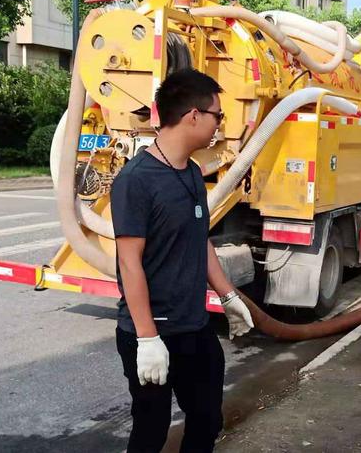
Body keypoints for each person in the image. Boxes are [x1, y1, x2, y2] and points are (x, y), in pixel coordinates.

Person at [111, 68, 255, 452]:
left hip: (193, 327)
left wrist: (228, 296)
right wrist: (147, 339)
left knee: (207, 418)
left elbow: (199, 240)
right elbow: (129, 263)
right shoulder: (136, 180)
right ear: (193, 115)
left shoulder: (191, 173)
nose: (219, 126)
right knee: (152, 429)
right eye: (217, 116)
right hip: (152, 330)